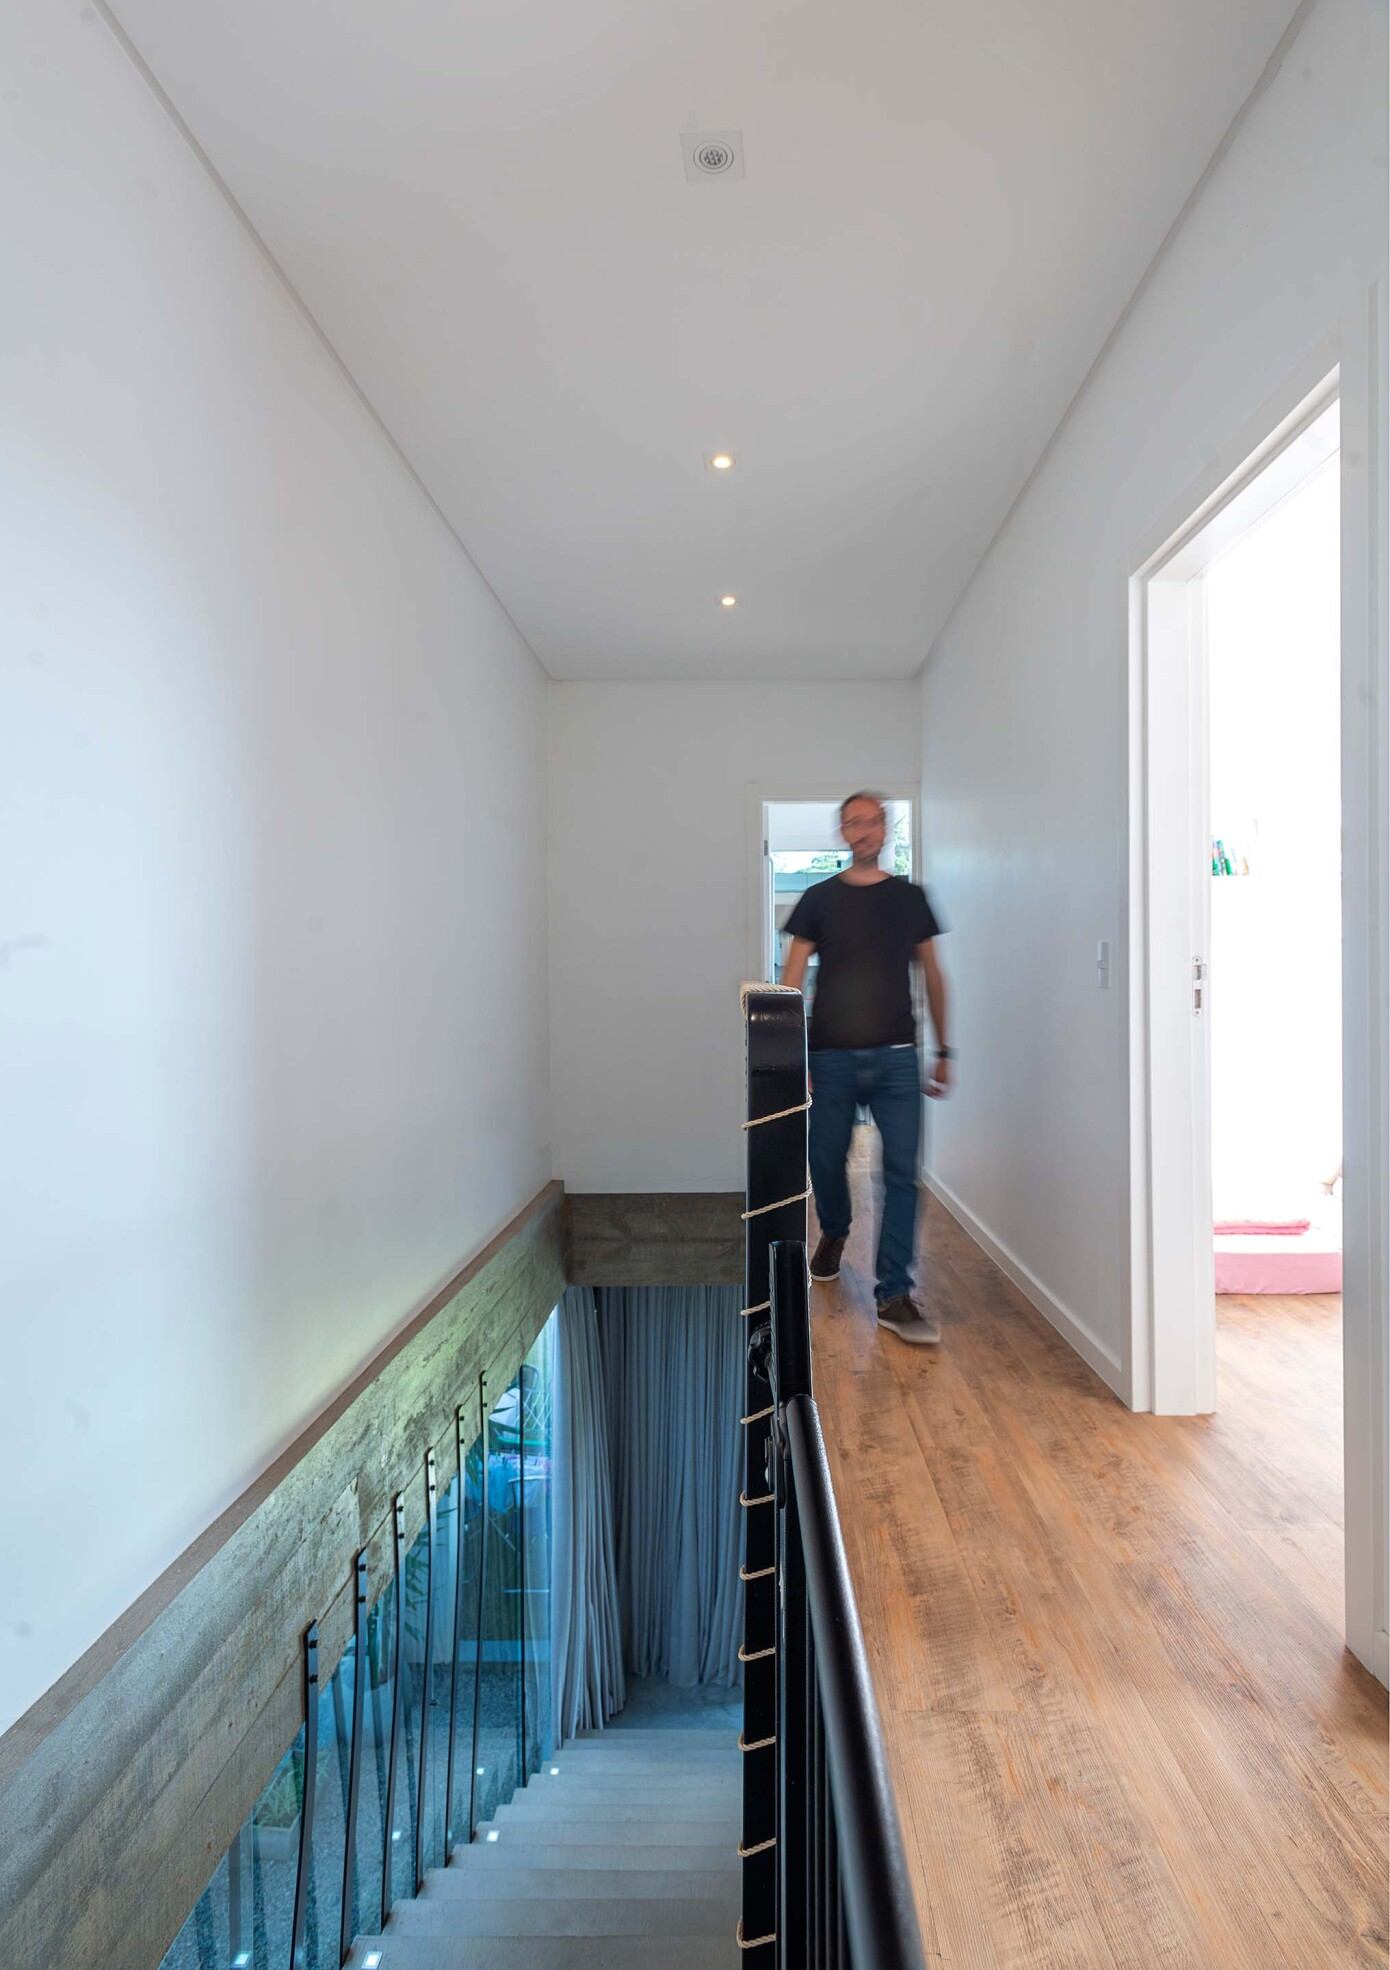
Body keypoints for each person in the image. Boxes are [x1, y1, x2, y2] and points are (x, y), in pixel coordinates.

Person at [780, 792, 951, 1345]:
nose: (862, 830)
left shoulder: (910, 899)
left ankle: (893, 1294)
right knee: (825, 1160)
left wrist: (944, 1050)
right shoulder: (817, 899)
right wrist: (792, 1052)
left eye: (871, 821)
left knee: (901, 1176)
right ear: (842, 832)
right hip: (830, 1058)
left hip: (898, 1059)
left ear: (885, 829)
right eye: (852, 822)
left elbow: (932, 972)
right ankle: (833, 1230)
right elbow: (793, 977)